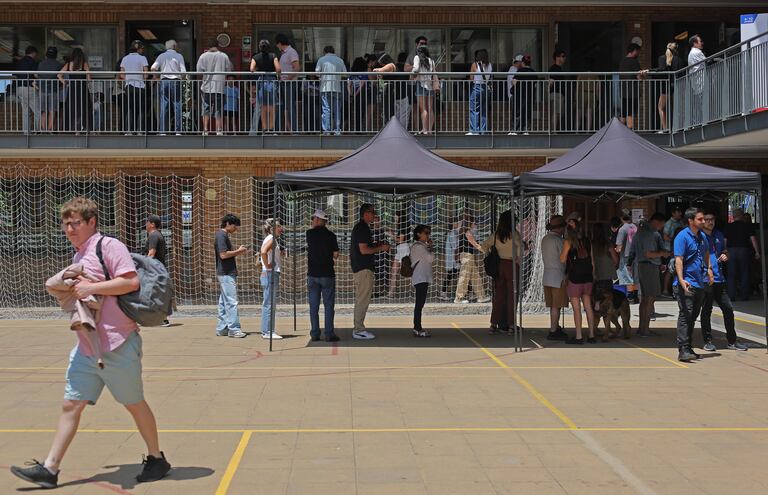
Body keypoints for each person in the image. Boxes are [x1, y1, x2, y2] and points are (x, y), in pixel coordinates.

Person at [10, 197, 171, 489]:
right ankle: (50, 468)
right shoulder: (78, 256)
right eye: (66, 223)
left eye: (76, 223)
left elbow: (131, 282)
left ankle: (156, 458)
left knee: (134, 404)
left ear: (91, 222)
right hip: (86, 347)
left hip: (117, 344)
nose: (70, 229)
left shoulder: (109, 246)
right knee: (70, 405)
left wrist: (90, 287)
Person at [700, 212, 749, 351]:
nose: (710, 222)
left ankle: (732, 341)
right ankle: (707, 340)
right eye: (707, 220)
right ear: (702, 222)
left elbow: (725, 250)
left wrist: (725, 255)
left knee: (728, 309)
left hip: (719, 278)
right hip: (706, 278)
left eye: (712, 219)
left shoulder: (719, 235)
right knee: (707, 310)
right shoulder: (699, 237)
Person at [673, 207, 712, 362]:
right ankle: (683, 349)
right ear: (691, 221)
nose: (703, 222)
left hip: (700, 282)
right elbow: (679, 260)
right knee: (685, 315)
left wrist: (709, 269)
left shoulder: (702, 236)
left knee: (693, 316)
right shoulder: (682, 237)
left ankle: (688, 347)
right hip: (686, 283)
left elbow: (707, 253)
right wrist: (681, 280)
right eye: (700, 219)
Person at [350, 204, 390, 340]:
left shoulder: (363, 228)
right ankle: (358, 329)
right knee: (362, 300)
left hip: (362, 268)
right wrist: (381, 248)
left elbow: (366, 247)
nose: (375, 215)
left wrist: (376, 245)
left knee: (362, 299)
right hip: (363, 269)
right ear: (365, 213)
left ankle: (358, 327)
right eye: (372, 212)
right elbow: (363, 250)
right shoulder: (362, 228)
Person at [482, 210, 523, 334]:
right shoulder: (515, 234)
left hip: (499, 265)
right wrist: (518, 258)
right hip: (511, 265)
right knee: (512, 296)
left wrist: (492, 255)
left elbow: (484, 246)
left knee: (498, 297)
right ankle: (511, 325)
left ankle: (493, 324)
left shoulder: (496, 234)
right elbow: (520, 247)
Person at [628, 214, 669, 337]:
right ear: (656, 222)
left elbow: (633, 250)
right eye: (662, 225)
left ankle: (643, 328)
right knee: (649, 298)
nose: (661, 228)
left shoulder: (639, 232)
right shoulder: (650, 233)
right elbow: (649, 254)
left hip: (642, 265)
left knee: (645, 299)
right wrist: (663, 254)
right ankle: (644, 329)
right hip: (649, 265)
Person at [560, 218, 596, 344]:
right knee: (588, 307)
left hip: (574, 278)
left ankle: (579, 336)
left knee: (576, 309)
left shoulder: (568, 241)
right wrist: (593, 276)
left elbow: (562, 259)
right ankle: (591, 335)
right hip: (588, 277)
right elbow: (592, 260)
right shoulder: (587, 241)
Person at [306, 209, 340, 342]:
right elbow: (336, 254)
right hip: (327, 274)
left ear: (319, 220)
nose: (312, 220)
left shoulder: (309, 233)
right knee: (329, 306)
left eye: (314, 218)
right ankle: (329, 333)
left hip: (312, 274)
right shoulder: (331, 235)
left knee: (313, 306)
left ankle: (315, 333)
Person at [214, 213, 247, 338]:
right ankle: (234, 329)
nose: (236, 229)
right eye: (235, 226)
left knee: (224, 302)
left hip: (224, 272)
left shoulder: (222, 235)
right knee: (232, 302)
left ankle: (222, 328)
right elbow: (223, 255)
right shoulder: (221, 235)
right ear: (227, 223)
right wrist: (239, 251)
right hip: (226, 273)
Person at [196, 38, 232, 136]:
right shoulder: (224, 56)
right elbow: (229, 70)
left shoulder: (203, 56)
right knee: (219, 109)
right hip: (219, 87)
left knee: (206, 108)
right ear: (218, 45)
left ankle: (205, 130)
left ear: (208, 46)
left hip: (206, 87)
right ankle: (219, 130)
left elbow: (199, 71)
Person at [151, 39, 186, 135]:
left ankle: (162, 131)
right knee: (177, 104)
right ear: (174, 46)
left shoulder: (162, 56)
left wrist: (156, 77)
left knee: (164, 105)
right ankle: (178, 131)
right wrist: (181, 78)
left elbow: (153, 68)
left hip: (164, 81)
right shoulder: (179, 56)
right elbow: (183, 72)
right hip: (176, 81)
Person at [724, 208, 760, 301]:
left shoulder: (728, 226)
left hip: (731, 251)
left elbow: (725, 240)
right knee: (744, 273)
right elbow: (753, 239)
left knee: (731, 274)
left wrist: (725, 250)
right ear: (742, 216)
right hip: (744, 250)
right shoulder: (747, 226)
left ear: (733, 216)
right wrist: (757, 251)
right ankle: (744, 296)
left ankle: (731, 296)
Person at [542, 215, 568, 340]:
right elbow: (564, 259)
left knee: (552, 305)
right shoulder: (560, 241)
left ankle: (555, 326)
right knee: (556, 306)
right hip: (558, 276)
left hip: (547, 275)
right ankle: (553, 330)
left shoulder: (545, 239)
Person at [142, 214, 171, 327]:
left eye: (147, 222)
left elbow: (151, 253)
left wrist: (144, 267)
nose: (146, 224)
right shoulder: (158, 235)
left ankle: (161, 319)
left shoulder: (154, 236)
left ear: (152, 224)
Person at [454, 218, 490, 303]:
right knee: (464, 276)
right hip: (467, 256)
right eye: (473, 222)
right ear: (469, 223)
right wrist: (486, 251)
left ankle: (481, 296)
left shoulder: (464, 232)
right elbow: (475, 244)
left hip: (468, 256)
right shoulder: (467, 232)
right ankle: (459, 298)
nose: (475, 224)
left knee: (475, 277)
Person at [249, 39, 281, 134]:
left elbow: (251, 69)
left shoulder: (256, 57)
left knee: (262, 107)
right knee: (271, 106)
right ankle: (270, 129)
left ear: (259, 47)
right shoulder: (273, 56)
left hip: (261, 81)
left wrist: (259, 69)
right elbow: (278, 69)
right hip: (271, 81)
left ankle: (264, 128)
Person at [260, 218, 284, 340]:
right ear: (272, 229)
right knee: (269, 303)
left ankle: (267, 330)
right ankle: (268, 331)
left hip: (268, 273)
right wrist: (268, 265)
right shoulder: (272, 239)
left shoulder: (270, 239)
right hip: (270, 273)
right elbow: (263, 252)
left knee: (268, 303)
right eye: (279, 227)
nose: (281, 229)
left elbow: (265, 252)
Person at [57, 47, 91, 133]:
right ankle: (84, 128)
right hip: (82, 89)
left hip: (72, 89)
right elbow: (89, 79)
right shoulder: (84, 64)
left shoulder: (69, 64)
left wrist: (65, 83)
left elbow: (59, 75)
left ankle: (73, 129)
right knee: (84, 108)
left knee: (72, 108)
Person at [316, 45, 347, 135]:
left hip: (325, 87)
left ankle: (327, 130)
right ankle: (337, 130)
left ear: (324, 52)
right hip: (337, 88)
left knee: (326, 109)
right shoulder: (340, 60)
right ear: (333, 52)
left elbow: (317, 73)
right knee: (337, 109)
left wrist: (322, 76)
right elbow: (345, 74)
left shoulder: (321, 60)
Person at [410, 224, 435, 337]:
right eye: (426, 233)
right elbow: (431, 258)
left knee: (420, 304)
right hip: (420, 278)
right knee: (419, 304)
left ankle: (417, 327)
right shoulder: (418, 247)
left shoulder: (421, 246)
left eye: (428, 233)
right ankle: (417, 328)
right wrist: (431, 247)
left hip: (422, 277)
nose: (428, 235)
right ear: (419, 234)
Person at [120, 40, 149, 134]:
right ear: (138, 49)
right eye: (141, 48)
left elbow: (122, 75)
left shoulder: (125, 58)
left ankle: (128, 131)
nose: (142, 50)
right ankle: (140, 131)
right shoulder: (143, 58)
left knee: (129, 108)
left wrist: (129, 78)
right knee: (141, 109)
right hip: (140, 86)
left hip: (129, 86)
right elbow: (146, 75)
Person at [618, 43, 647, 130]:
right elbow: (639, 78)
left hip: (623, 91)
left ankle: (620, 132)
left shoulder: (622, 61)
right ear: (634, 50)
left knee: (623, 113)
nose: (638, 54)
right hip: (633, 92)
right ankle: (629, 133)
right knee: (630, 112)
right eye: (638, 52)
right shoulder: (634, 62)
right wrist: (643, 75)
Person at [657, 42, 684, 132]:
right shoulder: (679, 60)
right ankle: (678, 127)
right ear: (676, 50)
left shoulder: (662, 58)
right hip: (677, 85)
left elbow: (661, 71)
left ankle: (665, 128)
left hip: (666, 86)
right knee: (676, 107)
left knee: (661, 107)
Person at [411, 44, 438, 134]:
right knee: (430, 108)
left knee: (423, 109)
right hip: (430, 85)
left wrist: (412, 74)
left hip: (420, 84)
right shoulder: (431, 61)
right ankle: (430, 129)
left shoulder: (417, 58)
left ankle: (424, 129)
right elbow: (434, 73)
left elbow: (415, 69)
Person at [276, 33, 300, 132]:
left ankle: (294, 130)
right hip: (283, 83)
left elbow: (297, 68)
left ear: (280, 43)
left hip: (289, 83)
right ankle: (279, 129)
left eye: (277, 44)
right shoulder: (284, 53)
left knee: (290, 107)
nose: (276, 46)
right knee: (281, 106)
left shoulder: (291, 52)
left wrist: (288, 79)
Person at [15, 45, 39, 134]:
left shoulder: (20, 62)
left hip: (20, 88)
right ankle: (38, 131)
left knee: (26, 112)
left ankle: (26, 132)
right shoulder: (32, 61)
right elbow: (36, 75)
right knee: (38, 111)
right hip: (29, 88)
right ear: (33, 53)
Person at [38, 46, 63, 132]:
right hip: (53, 89)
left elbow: (38, 75)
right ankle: (50, 130)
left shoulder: (41, 63)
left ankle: (43, 130)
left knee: (43, 111)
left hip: (42, 89)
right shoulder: (59, 64)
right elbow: (61, 77)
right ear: (56, 54)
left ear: (46, 54)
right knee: (52, 111)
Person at [615, 213, 638, 303]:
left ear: (621, 218)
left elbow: (619, 246)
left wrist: (615, 249)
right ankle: (636, 296)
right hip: (637, 255)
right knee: (635, 276)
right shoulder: (636, 227)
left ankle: (630, 297)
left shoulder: (622, 229)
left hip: (626, 255)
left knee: (628, 277)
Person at [467, 49, 491, 135]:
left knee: (474, 109)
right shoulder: (490, 65)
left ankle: (474, 130)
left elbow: (471, 78)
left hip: (477, 87)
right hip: (486, 88)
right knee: (484, 110)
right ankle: (483, 130)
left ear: (478, 56)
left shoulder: (475, 64)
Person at [662, 207, 684, 296]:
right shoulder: (669, 223)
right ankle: (665, 290)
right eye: (678, 212)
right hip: (670, 250)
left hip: (677, 249)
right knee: (669, 270)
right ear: (673, 213)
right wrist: (675, 241)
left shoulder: (680, 222)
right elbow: (665, 236)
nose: (680, 214)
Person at [387, 210, 409, 298]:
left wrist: (391, 235)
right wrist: (393, 233)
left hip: (403, 249)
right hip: (400, 249)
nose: (395, 218)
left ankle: (420, 287)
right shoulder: (400, 226)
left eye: (396, 216)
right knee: (394, 271)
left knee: (408, 271)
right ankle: (391, 293)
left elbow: (400, 240)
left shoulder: (403, 225)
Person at [440, 218, 461, 300]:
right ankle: (443, 293)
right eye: (457, 222)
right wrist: (458, 258)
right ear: (453, 225)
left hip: (454, 260)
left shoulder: (455, 233)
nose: (458, 223)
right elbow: (455, 247)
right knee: (451, 275)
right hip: (453, 260)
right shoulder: (452, 234)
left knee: (461, 275)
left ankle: (468, 292)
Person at [687, 35, 706, 126]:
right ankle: (700, 123)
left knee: (698, 104)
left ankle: (697, 123)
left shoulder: (691, 53)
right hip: (700, 81)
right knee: (702, 104)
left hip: (696, 83)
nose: (702, 43)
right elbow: (707, 62)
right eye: (700, 41)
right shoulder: (697, 52)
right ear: (695, 43)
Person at [348, 57, 369, 132]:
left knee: (356, 112)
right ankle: (360, 129)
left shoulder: (352, 73)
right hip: (362, 94)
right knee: (362, 112)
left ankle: (357, 129)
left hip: (354, 94)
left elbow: (349, 84)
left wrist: (351, 94)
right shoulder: (364, 73)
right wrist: (356, 93)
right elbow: (362, 84)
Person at [548, 49, 567, 131]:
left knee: (558, 113)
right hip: (556, 94)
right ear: (557, 57)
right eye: (563, 56)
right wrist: (548, 90)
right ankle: (554, 131)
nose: (564, 58)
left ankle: (554, 130)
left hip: (558, 94)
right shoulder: (554, 68)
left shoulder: (558, 68)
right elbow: (551, 81)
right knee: (556, 113)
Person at [506, 54, 523, 134]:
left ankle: (516, 129)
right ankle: (513, 129)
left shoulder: (515, 69)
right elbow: (514, 82)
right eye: (521, 62)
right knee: (515, 112)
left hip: (516, 94)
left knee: (517, 112)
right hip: (513, 95)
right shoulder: (513, 70)